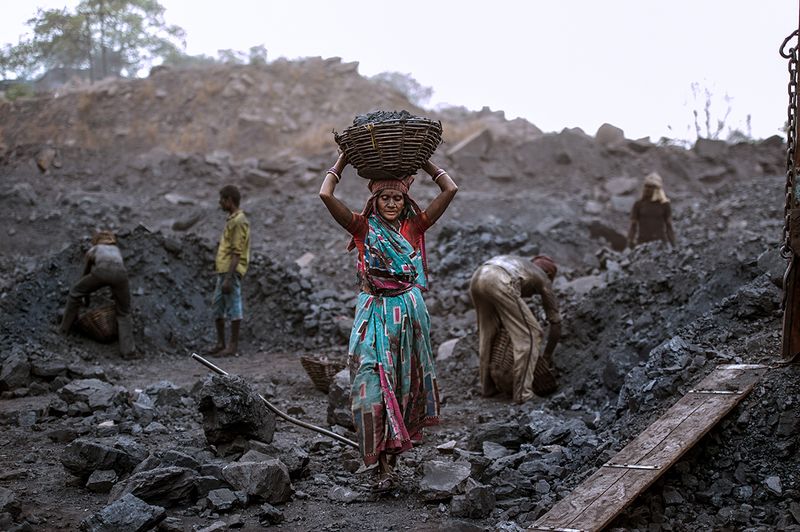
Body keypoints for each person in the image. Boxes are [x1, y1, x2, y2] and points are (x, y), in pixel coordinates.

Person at [319, 153, 457, 491]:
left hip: (408, 313)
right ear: (374, 201)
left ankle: (390, 463)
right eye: (385, 198)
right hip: (373, 311)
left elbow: (450, 189)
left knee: (402, 384)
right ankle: (379, 464)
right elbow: (325, 195)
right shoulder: (363, 227)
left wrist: (424, 161)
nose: (391, 203)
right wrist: (342, 161)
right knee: (370, 383)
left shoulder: (414, 225)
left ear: (405, 199)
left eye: (397, 197)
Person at [469, 255, 562, 404]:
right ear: (549, 274)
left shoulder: (521, 264)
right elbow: (556, 324)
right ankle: (523, 394)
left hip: (479, 276)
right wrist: (547, 356)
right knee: (531, 334)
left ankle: (487, 388)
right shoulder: (544, 278)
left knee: (487, 334)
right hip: (499, 280)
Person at [60, 230, 135, 357]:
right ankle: (129, 352)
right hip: (122, 274)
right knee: (124, 312)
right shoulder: (116, 250)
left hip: (102, 270)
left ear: (96, 241)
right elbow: (116, 275)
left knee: (75, 292)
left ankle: (63, 330)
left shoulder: (94, 249)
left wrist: (86, 297)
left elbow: (86, 273)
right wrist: (115, 295)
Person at [208, 184, 250, 357]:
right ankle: (221, 343)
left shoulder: (240, 221)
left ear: (229, 200)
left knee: (234, 306)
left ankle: (232, 346)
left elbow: (236, 251)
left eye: (222, 200)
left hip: (231, 272)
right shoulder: (233, 220)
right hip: (224, 271)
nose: (220, 203)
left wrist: (229, 278)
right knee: (218, 306)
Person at [627, 171, 676, 248]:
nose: (647, 189)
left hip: (660, 245)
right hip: (642, 244)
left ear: (657, 189)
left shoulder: (664, 205)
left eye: (651, 187)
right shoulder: (639, 204)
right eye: (646, 186)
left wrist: (674, 245)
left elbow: (669, 226)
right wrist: (630, 242)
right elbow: (633, 225)